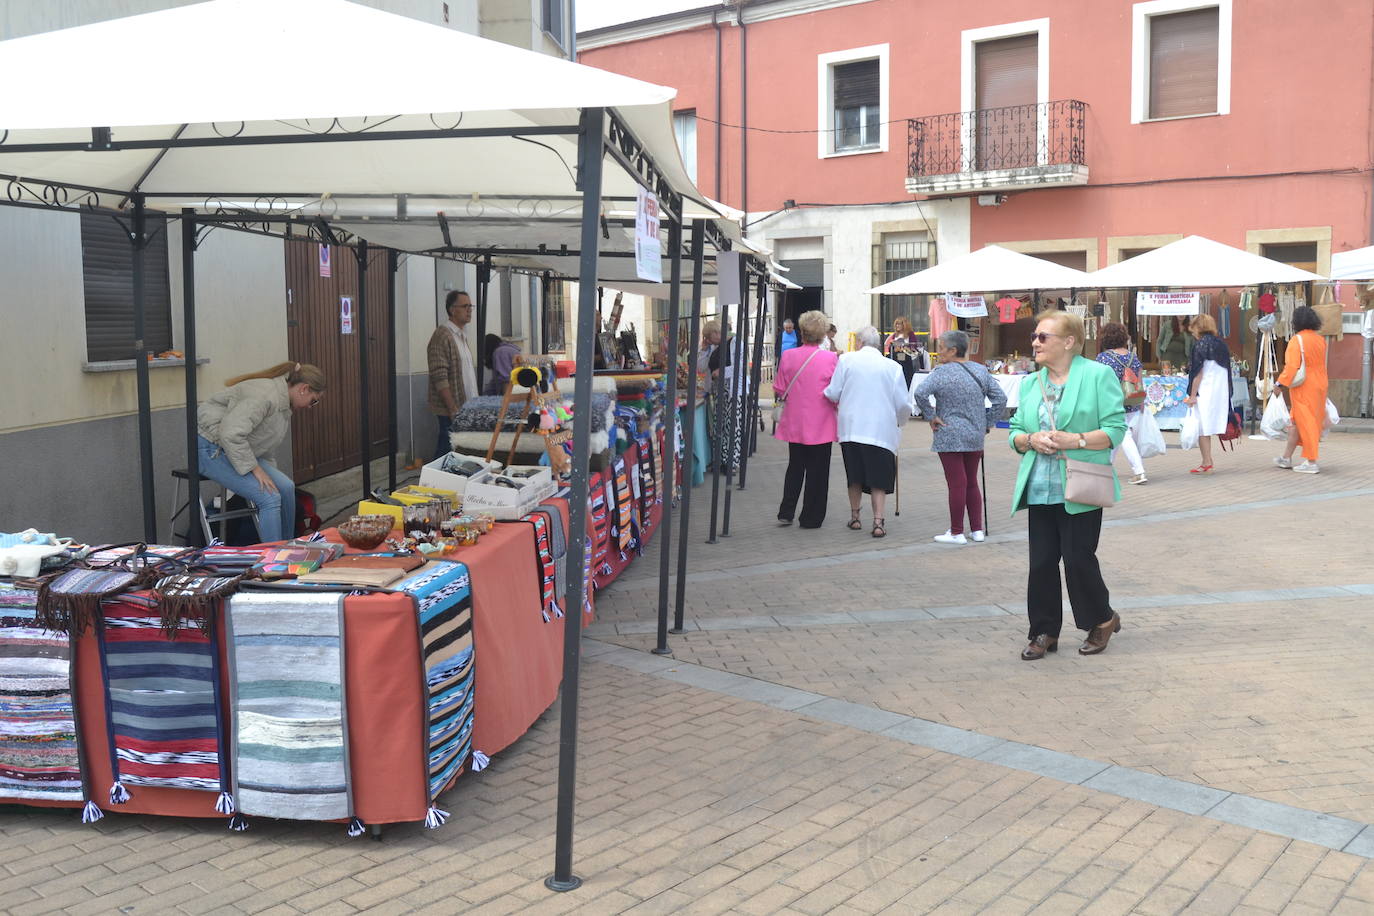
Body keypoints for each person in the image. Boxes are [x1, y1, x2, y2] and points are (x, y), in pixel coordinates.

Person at [1009, 310, 1127, 661]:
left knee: (1078, 560)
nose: (1035, 342)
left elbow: (1115, 430)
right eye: (1035, 336)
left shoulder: (1097, 375)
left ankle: (1102, 620)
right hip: (1040, 486)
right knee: (1041, 563)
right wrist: (1030, 438)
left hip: (1080, 484)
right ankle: (1044, 630)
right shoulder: (1031, 383)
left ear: (1069, 342)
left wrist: (1072, 440)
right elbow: (1014, 431)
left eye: (1043, 337)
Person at [197, 362, 326, 543]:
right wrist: (255, 469)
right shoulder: (265, 396)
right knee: (269, 499)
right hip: (211, 448)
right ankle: (274, 559)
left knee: (286, 488)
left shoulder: (282, 402)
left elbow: (262, 445)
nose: (311, 406)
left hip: (235, 448)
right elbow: (230, 434)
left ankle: (288, 546)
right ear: (304, 389)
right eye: (314, 400)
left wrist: (264, 472)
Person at [914, 329, 1006, 545]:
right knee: (971, 482)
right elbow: (1000, 398)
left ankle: (956, 532)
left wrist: (931, 416)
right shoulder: (981, 370)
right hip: (975, 433)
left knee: (956, 483)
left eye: (941, 348)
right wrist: (987, 422)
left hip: (949, 433)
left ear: (953, 350)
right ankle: (977, 529)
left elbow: (919, 393)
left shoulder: (941, 373)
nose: (939, 353)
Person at [824, 326, 909, 538]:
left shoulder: (846, 361)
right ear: (878, 344)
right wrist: (900, 423)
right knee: (879, 477)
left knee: (854, 475)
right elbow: (903, 404)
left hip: (851, 428)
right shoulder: (892, 367)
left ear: (859, 342)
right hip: (881, 430)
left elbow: (833, 393)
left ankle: (855, 517)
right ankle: (878, 522)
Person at [773, 310, 839, 528]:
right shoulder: (831, 358)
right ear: (822, 335)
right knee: (818, 473)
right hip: (821, 422)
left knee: (795, 467)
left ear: (801, 333)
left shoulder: (789, 356)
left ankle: (787, 510)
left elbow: (780, 387)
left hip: (796, 421)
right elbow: (836, 392)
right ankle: (811, 517)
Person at [1274, 305, 1329, 474]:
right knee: (1299, 422)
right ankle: (1286, 457)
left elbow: (1291, 366)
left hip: (1304, 387)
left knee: (1306, 422)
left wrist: (1279, 384)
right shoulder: (1320, 340)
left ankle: (1311, 461)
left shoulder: (1296, 340)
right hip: (1320, 383)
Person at [1095, 321, 1149, 485]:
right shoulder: (1133, 356)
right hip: (1132, 400)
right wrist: (1141, 402)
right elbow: (1139, 380)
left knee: (1123, 435)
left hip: (1112, 402)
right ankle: (1105, 468)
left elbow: (1098, 382)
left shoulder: (1103, 358)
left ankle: (1139, 471)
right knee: (1117, 435)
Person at [426, 290, 478, 460]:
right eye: (465, 306)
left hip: (466, 406)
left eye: (471, 306)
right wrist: (452, 408)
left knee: (457, 452)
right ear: (452, 309)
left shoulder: (462, 336)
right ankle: (432, 484)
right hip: (451, 409)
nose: (469, 310)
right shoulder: (442, 335)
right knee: (446, 451)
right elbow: (439, 377)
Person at [1183, 313, 1233, 474]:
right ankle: (1207, 461)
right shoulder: (1222, 344)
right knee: (1208, 425)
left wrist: (1192, 395)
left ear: (1198, 328)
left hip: (1205, 390)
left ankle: (1207, 461)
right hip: (1220, 390)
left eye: (1193, 330)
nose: (1193, 333)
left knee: (1202, 427)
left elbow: (1198, 373)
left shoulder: (1200, 345)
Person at [884, 316, 920, 391]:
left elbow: (914, 347)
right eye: (896, 324)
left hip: (907, 357)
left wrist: (905, 348)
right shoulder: (894, 335)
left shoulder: (910, 334)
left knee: (903, 359)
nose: (897, 326)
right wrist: (894, 347)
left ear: (904, 325)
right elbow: (890, 349)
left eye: (899, 324)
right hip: (896, 356)